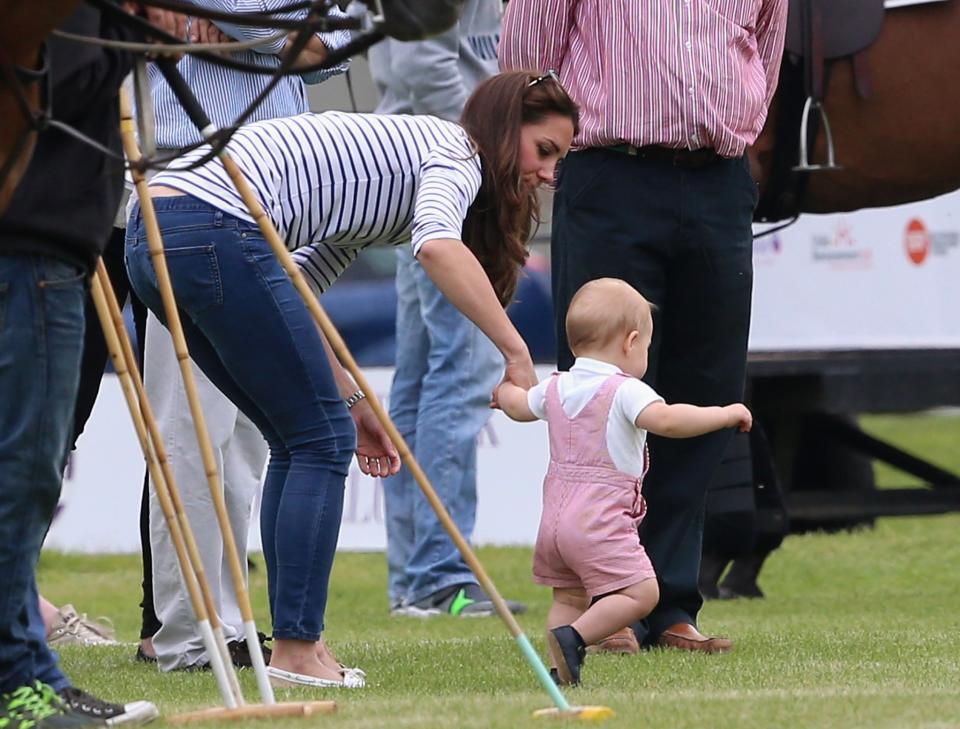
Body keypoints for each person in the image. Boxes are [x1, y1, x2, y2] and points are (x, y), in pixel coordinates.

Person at [124, 70, 579, 687]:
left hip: (155, 232)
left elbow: (297, 292)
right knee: (318, 442)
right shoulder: (456, 152)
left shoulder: (383, 187)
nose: (549, 173)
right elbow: (438, 244)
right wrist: (517, 353)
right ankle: (297, 649)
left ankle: (293, 644)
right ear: (504, 132)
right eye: (544, 151)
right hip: (210, 223)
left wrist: (355, 397)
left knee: (301, 436)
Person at [500, 0, 788, 653]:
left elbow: (765, 51)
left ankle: (669, 603)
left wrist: (737, 127)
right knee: (601, 401)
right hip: (612, 173)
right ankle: (602, 604)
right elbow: (525, 54)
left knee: (703, 384)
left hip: (717, 178)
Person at [137, 1, 352, 673]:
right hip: (192, 187)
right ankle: (187, 627)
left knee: (257, 436)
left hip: (277, 192)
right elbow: (239, 14)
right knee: (192, 420)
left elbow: (334, 45)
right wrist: (276, 36)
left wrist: (243, 38)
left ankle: (232, 621)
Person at [0, 5, 159, 726]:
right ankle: (16, 680)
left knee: (31, 471)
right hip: (33, 250)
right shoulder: (54, 17)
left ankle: (33, 670)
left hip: (55, 250)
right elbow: (55, 90)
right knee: (25, 469)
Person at [495, 278, 753, 685]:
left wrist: (505, 390)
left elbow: (516, 405)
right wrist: (723, 414)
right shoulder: (626, 390)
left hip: (554, 521)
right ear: (631, 342)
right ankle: (576, 637)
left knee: (568, 597)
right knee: (642, 593)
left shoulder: (556, 386)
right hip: (599, 518)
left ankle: (560, 672)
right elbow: (667, 420)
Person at [368, 0, 526, 618]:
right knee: (459, 377)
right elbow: (421, 60)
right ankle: (439, 575)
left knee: (423, 379)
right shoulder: (462, 156)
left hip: (426, 174)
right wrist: (480, 161)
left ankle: (417, 579)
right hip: (445, 179)